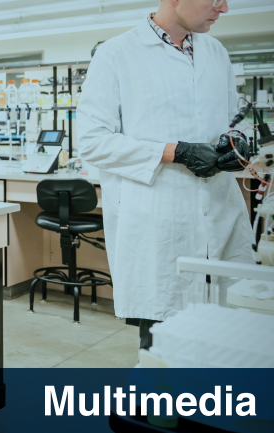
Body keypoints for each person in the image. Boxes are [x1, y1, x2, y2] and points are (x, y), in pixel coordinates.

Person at [77, 0, 252, 350]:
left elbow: (233, 118)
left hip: (220, 214)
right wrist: (177, 152)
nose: (225, 7)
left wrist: (236, 143)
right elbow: (93, 142)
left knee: (225, 334)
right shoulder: (116, 54)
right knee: (164, 343)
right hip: (160, 224)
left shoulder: (216, 52)